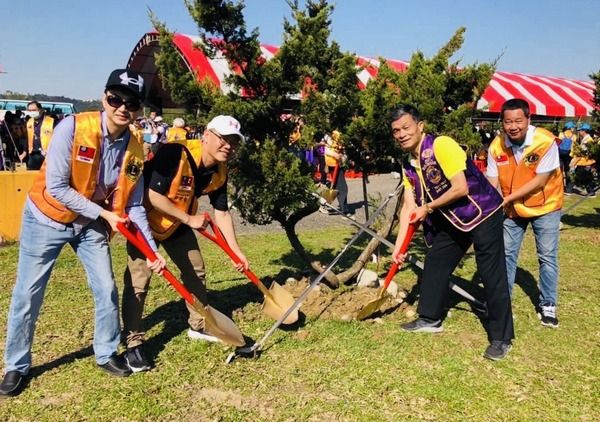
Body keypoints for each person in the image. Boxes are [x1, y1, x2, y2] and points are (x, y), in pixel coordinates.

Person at [0, 68, 166, 397]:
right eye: (115, 98)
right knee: (27, 294)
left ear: (138, 111)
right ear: (104, 97)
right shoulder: (72, 128)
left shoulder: (135, 149)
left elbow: (134, 205)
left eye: (130, 103)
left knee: (106, 289)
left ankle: (105, 352)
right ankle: (16, 365)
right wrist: (104, 213)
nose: (122, 107)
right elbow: (57, 187)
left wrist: (151, 251)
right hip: (46, 217)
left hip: (88, 223)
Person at [122, 115, 249, 372]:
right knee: (139, 280)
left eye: (234, 142)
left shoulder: (219, 171)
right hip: (145, 222)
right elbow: (152, 194)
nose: (228, 146)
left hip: (177, 224)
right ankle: (133, 342)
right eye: (224, 139)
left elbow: (222, 213)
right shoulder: (174, 152)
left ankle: (199, 323)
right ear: (206, 135)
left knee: (195, 270)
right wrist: (188, 218)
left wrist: (236, 252)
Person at [390, 104, 514, 361]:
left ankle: (502, 338)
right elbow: (408, 207)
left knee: (492, 274)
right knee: (436, 260)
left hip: (484, 213)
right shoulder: (408, 163)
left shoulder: (441, 145)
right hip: (454, 219)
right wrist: (398, 248)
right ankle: (429, 318)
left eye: (406, 127)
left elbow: (460, 188)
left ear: (420, 125)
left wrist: (429, 207)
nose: (401, 134)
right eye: (396, 131)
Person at [486, 98, 563, 328]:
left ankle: (548, 304)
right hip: (513, 209)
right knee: (506, 255)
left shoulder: (545, 141)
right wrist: (490, 203)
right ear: (502, 123)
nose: (513, 126)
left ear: (528, 120)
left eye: (518, 120)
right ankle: (503, 302)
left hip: (546, 205)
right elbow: (493, 181)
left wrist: (507, 198)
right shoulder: (496, 146)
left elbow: (540, 180)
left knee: (547, 256)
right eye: (508, 121)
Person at [324, 130, 350, 215]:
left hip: (339, 165)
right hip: (332, 164)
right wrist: (334, 155)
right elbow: (324, 150)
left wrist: (342, 158)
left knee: (336, 185)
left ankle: (324, 203)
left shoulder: (342, 140)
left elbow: (344, 153)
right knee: (342, 187)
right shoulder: (329, 138)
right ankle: (343, 207)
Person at [24, 101, 56, 170]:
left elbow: (57, 139)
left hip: (47, 155)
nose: (32, 112)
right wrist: (24, 152)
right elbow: (27, 138)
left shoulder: (51, 122)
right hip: (33, 155)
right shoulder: (29, 122)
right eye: (29, 110)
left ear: (40, 110)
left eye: (34, 110)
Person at [570, 123, 597, 196]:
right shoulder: (586, 139)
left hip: (585, 162)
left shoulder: (587, 140)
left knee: (583, 176)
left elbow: (582, 153)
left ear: (584, 131)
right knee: (584, 176)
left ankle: (590, 192)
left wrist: (574, 161)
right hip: (584, 162)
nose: (579, 132)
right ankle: (590, 192)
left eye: (580, 130)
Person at [558, 121, 577, 194]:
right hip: (569, 155)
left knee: (559, 171)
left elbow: (558, 143)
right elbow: (573, 146)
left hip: (560, 154)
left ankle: (560, 187)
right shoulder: (574, 136)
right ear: (570, 128)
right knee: (568, 171)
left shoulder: (561, 134)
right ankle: (568, 189)